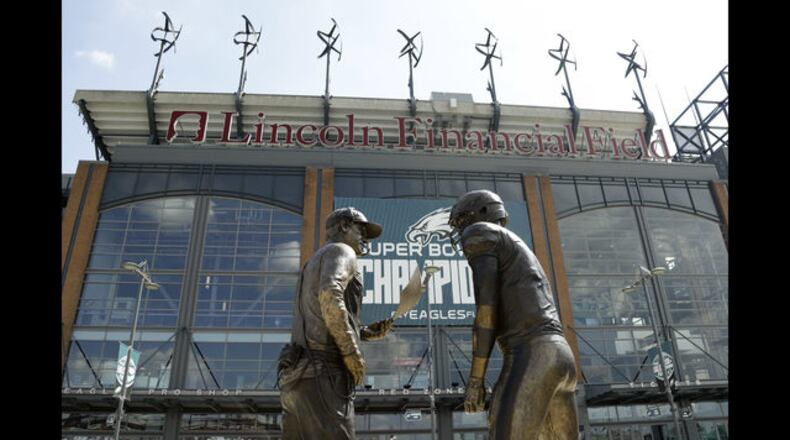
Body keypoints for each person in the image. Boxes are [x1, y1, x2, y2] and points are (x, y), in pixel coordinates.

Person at [448, 190, 578, 439]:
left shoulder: (480, 232)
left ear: (477, 215)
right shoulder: (517, 246)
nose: (460, 229)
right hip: (562, 356)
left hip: (533, 354)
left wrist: (476, 380)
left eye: (461, 221)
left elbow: (486, 311)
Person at [279, 207, 394, 440]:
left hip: (296, 382)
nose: (365, 238)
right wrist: (351, 352)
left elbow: (320, 315)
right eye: (361, 230)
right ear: (343, 226)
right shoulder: (343, 250)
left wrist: (363, 333)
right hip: (323, 378)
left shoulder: (313, 261)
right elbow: (330, 294)